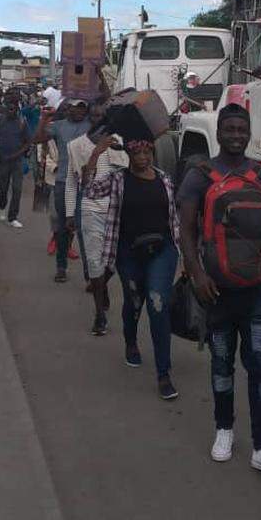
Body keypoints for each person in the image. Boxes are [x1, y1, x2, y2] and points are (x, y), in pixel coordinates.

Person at [177, 103, 261, 479]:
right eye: (228, 129)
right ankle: (224, 430)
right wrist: (196, 272)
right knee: (222, 367)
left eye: (240, 129)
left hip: (257, 292)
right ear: (219, 132)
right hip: (217, 293)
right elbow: (186, 230)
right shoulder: (200, 175)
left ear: (248, 132)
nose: (235, 135)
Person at [83, 134, 180, 401]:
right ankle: (131, 341)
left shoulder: (165, 179)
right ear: (129, 156)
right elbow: (89, 191)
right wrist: (96, 154)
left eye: (147, 153)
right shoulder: (118, 180)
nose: (143, 158)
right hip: (129, 252)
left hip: (163, 250)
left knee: (157, 303)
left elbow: (176, 216)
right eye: (137, 153)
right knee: (134, 302)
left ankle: (163, 374)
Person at [66, 99, 128, 334]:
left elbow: (128, 174)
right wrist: (71, 213)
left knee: (112, 261)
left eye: (104, 116)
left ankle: (101, 287)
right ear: (90, 118)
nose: (99, 119)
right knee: (93, 260)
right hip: (91, 209)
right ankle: (99, 314)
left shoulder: (120, 142)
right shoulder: (76, 146)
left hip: (118, 209)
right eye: (95, 115)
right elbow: (74, 182)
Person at [35, 98, 89, 281]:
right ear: (68, 109)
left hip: (87, 183)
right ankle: (61, 267)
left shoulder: (91, 125)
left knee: (86, 229)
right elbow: (38, 138)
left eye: (83, 108)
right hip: (63, 183)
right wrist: (44, 119)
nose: (80, 111)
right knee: (63, 226)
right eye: (77, 107)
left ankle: (91, 275)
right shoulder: (58, 126)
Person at [0, 102, 31, 228]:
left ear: (17, 110)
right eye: (9, 108)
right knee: (3, 188)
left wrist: (18, 154)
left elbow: (27, 142)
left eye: (13, 109)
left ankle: (12, 217)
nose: (11, 111)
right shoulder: (0, 121)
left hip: (17, 161)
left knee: (17, 189)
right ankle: (1, 207)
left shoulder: (22, 123)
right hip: (3, 159)